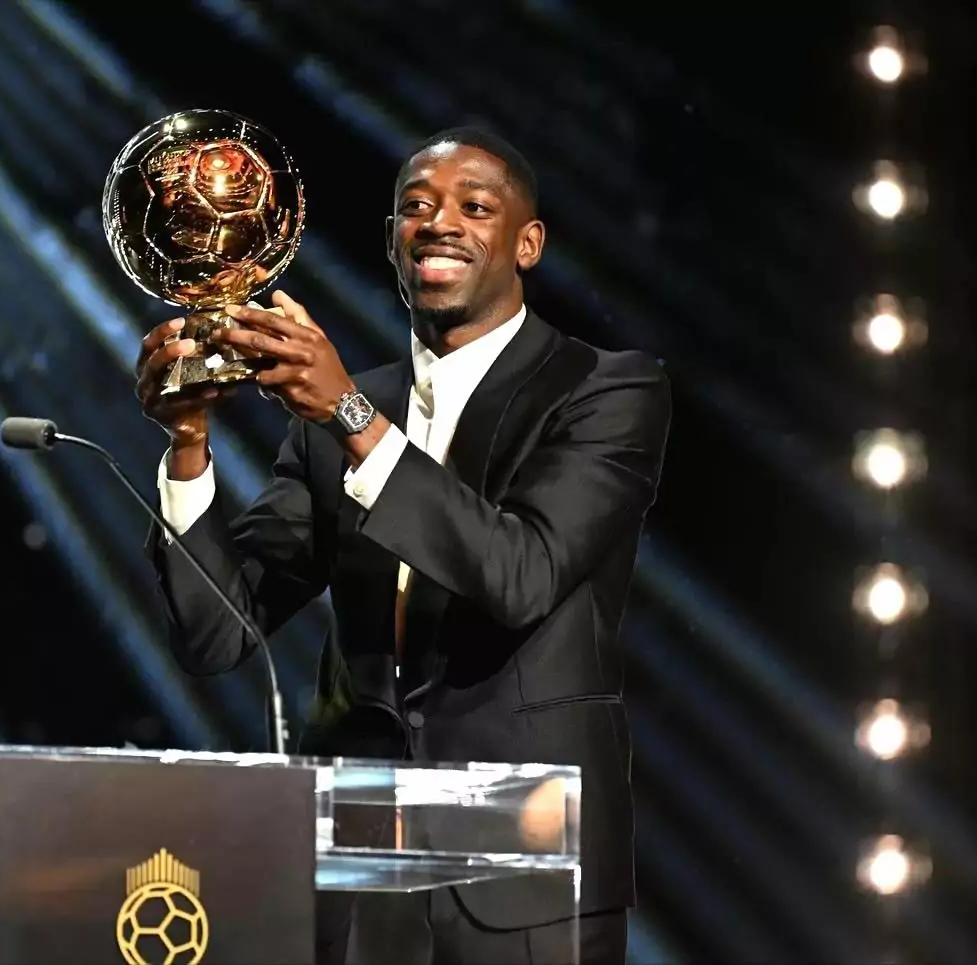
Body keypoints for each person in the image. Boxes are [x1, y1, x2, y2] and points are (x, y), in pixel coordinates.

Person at [135, 127, 671, 965]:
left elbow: (522, 574)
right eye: (416, 207)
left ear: (527, 243)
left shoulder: (604, 390)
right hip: (357, 874)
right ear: (392, 242)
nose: (439, 222)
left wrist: (351, 418)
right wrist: (188, 444)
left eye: (475, 207)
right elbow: (217, 634)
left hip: (524, 874)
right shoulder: (337, 411)